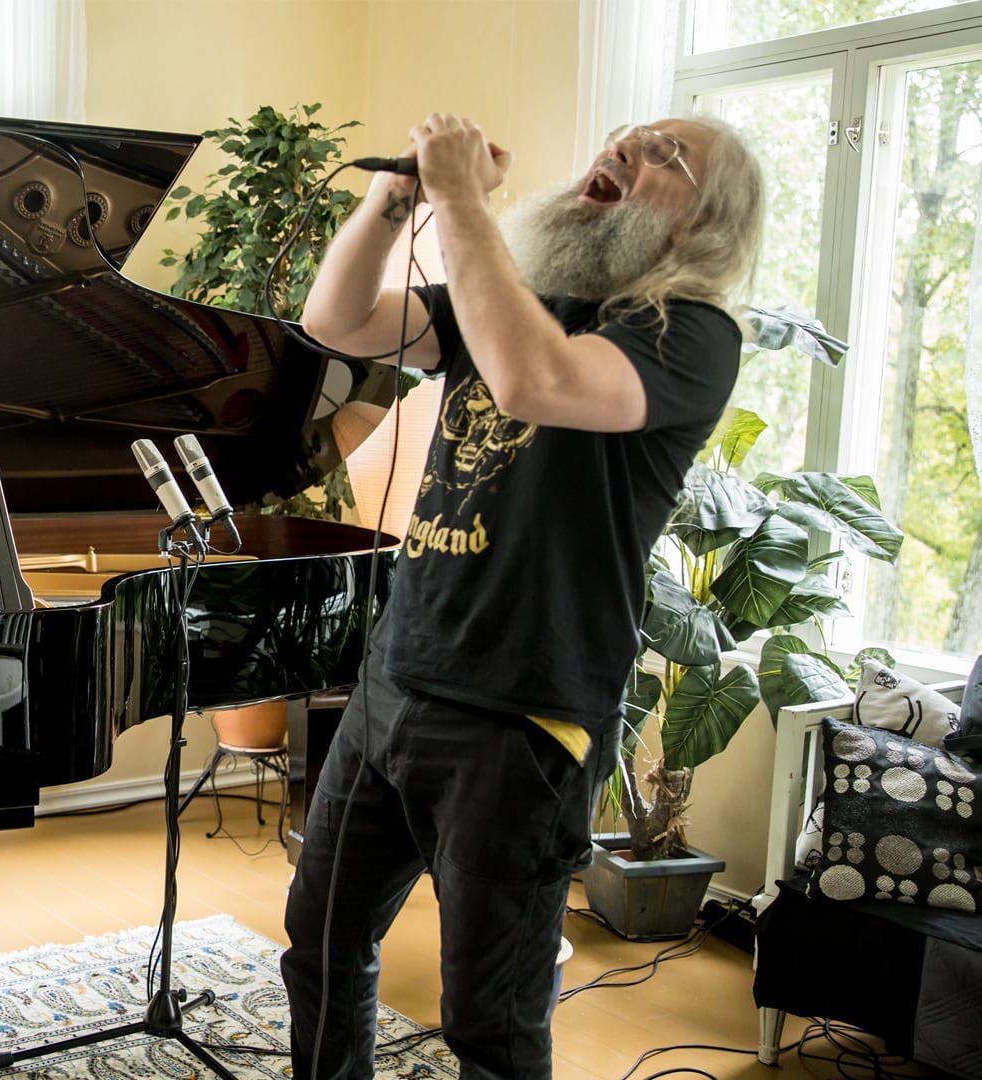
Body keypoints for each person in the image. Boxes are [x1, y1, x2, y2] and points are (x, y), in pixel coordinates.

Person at [280, 114, 764, 1080]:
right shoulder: (513, 298)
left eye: (663, 155)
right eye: (624, 137)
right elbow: (335, 321)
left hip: (522, 718)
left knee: (490, 1021)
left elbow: (532, 380)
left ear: (704, 221)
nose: (624, 150)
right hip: (395, 682)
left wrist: (463, 201)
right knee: (321, 947)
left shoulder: (691, 335)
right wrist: (396, 197)